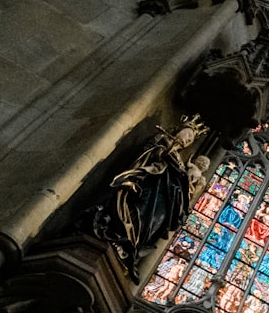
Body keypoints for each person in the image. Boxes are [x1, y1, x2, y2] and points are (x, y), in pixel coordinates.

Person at [80, 115, 208, 281]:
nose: (187, 140)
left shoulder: (179, 161)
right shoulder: (162, 140)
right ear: (179, 130)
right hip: (146, 183)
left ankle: (131, 244)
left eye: (190, 140)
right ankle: (117, 234)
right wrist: (167, 155)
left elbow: (179, 182)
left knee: (154, 221)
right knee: (133, 207)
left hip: (162, 197)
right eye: (187, 135)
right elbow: (150, 156)